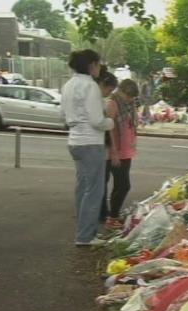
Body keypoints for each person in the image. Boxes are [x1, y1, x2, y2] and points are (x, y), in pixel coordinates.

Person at [61, 49, 114, 246]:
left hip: (75, 141)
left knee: (82, 188)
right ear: (91, 64)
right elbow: (97, 121)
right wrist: (111, 121)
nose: (100, 68)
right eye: (98, 64)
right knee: (94, 191)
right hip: (91, 142)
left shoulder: (68, 85)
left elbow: (62, 115)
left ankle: (85, 231)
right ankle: (85, 235)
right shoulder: (90, 86)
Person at [100, 79, 140, 230]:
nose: (131, 100)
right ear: (122, 92)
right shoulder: (113, 103)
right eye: (129, 96)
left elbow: (132, 123)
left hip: (126, 150)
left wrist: (133, 106)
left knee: (120, 184)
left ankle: (114, 215)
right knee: (124, 185)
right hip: (115, 151)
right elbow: (108, 129)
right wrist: (114, 151)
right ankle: (112, 217)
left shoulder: (129, 104)